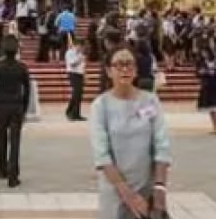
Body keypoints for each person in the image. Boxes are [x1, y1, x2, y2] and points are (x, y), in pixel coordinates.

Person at [90, 46, 171, 219]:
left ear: (136, 70)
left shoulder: (150, 101)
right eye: (119, 65)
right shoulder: (100, 106)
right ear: (108, 71)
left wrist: (159, 187)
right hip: (114, 191)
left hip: (147, 189)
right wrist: (128, 195)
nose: (125, 69)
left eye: (129, 64)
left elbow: (161, 144)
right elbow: (102, 155)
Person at [0, 35, 31, 187]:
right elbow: (27, 88)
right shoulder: (22, 68)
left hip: (1, 105)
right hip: (16, 105)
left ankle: (2, 168)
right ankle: (13, 174)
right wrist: (25, 107)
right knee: (15, 141)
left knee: (1, 138)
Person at [196, 46, 216, 137]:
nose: (204, 54)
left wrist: (212, 72)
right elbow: (197, 72)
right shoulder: (201, 62)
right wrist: (201, 72)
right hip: (207, 85)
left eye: (205, 52)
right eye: (202, 53)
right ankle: (214, 127)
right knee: (210, 107)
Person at [65, 36, 86, 122]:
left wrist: (85, 75)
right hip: (73, 74)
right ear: (76, 45)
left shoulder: (80, 54)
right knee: (76, 93)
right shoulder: (70, 53)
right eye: (81, 46)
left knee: (79, 94)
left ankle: (77, 114)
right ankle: (69, 112)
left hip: (80, 74)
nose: (82, 48)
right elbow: (72, 64)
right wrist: (79, 59)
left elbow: (83, 66)